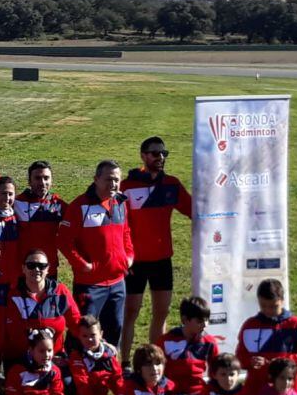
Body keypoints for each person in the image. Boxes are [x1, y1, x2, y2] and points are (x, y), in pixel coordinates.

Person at [120, 137, 192, 365]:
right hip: (135, 262)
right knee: (131, 312)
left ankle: (152, 362)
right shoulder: (126, 187)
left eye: (163, 153)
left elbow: (194, 210)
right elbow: (118, 226)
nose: (160, 158)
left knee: (161, 312)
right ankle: (123, 363)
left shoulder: (171, 184)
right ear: (143, 156)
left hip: (163, 260)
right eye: (154, 153)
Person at [59, 159, 134, 349]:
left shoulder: (120, 202)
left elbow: (126, 233)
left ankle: (109, 370)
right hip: (90, 285)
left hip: (117, 281)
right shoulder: (79, 206)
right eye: (108, 179)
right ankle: (75, 371)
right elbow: (64, 241)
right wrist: (83, 265)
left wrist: (129, 256)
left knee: (114, 329)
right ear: (96, 179)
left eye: (117, 180)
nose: (113, 184)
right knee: (83, 332)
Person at [236, 279, 297, 395]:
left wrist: (279, 363)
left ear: (282, 301)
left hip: (286, 393)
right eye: (263, 306)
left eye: (273, 306)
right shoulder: (250, 325)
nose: (268, 310)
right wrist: (249, 361)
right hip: (257, 391)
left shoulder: (296, 325)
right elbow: (240, 356)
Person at [3, 249, 81, 363]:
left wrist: (95, 342)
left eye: (42, 266)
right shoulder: (13, 295)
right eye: (31, 265)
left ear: (48, 269)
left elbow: (76, 323)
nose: (37, 269)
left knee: (69, 380)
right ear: (23, 268)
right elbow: (14, 335)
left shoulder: (60, 292)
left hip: (54, 357)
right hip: (22, 359)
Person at [5, 329, 82, 395]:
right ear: (31, 350)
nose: (46, 355)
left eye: (49, 350)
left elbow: (57, 393)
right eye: (41, 351)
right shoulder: (18, 369)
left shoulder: (54, 370)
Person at [155, 296, 220, 395]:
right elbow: (157, 372)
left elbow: (217, 371)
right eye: (200, 321)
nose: (205, 325)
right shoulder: (166, 341)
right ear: (185, 319)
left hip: (199, 393)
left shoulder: (209, 342)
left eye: (207, 320)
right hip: (174, 394)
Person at [67, 314, 123, 395]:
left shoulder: (109, 354)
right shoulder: (77, 355)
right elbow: (83, 385)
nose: (90, 339)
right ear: (79, 337)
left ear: (101, 334)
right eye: (85, 336)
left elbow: (117, 379)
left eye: (93, 335)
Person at [15, 161, 67, 278]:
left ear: (51, 180)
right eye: (37, 178)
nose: (42, 182)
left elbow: (78, 220)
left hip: (48, 268)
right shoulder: (16, 203)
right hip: (23, 268)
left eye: (46, 178)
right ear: (29, 181)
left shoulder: (58, 204)